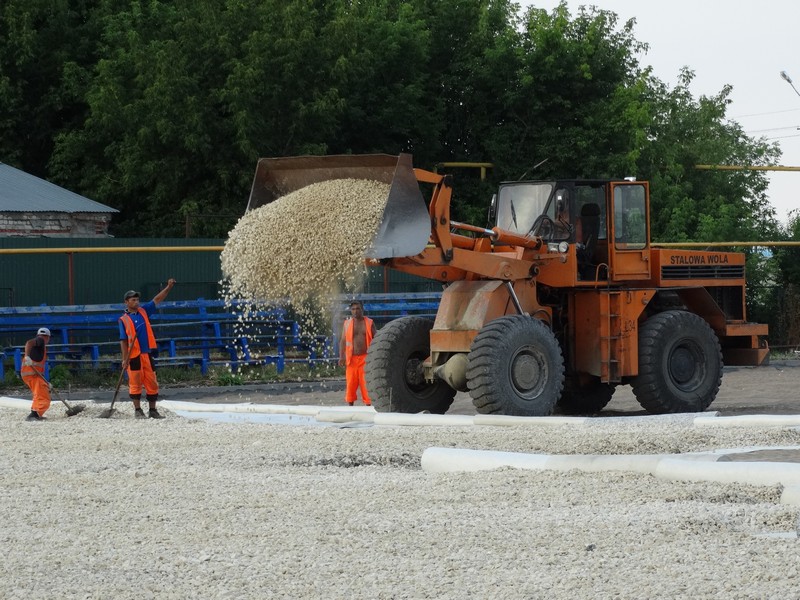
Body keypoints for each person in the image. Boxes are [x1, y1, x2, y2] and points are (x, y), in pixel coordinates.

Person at [119, 279, 176, 418]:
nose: (136, 302)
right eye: (133, 300)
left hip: (147, 353)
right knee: (135, 382)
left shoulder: (144, 312)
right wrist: (124, 358)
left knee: (151, 381)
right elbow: (123, 341)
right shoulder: (123, 320)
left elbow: (157, 299)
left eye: (137, 300)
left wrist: (168, 288)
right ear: (126, 302)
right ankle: (138, 410)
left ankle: (153, 410)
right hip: (133, 356)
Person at [338, 300, 377, 406]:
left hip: (366, 359)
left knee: (366, 385)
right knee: (350, 384)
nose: (355, 311)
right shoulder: (347, 323)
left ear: (362, 309)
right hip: (351, 359)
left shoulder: (369, 323)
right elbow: (342, 341)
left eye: (358, 308)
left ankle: (368, 407)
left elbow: (376, 339)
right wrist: (342, 356)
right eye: (353, 309)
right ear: (351, 311)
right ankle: (350, 408)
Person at [21, 327, 52, 421]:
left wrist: (46, 382)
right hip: (32, 374)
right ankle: (34, 415)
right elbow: (29, 343)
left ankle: (35, 413)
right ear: (47, 337)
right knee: (44, 397)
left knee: (38, 394)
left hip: (31, 375)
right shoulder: (40, 340)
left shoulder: (40, 344)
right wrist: (27, 356)